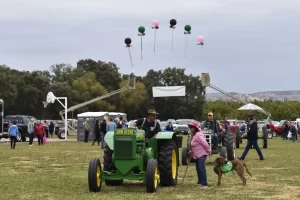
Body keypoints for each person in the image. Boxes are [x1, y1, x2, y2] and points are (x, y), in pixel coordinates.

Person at [187, 121, 211, 187]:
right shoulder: (194, 134)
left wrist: (208, 150)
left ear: (195, 128)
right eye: (190, 127)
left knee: (201, 168)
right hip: (196, 154)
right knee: (198, 168)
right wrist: (191, 151)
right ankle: (200, 181)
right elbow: (193, 144)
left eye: (192, 127)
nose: (191, 128)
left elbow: (205, 143)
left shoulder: (198, 135)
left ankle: (204, 183)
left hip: (201, 154)